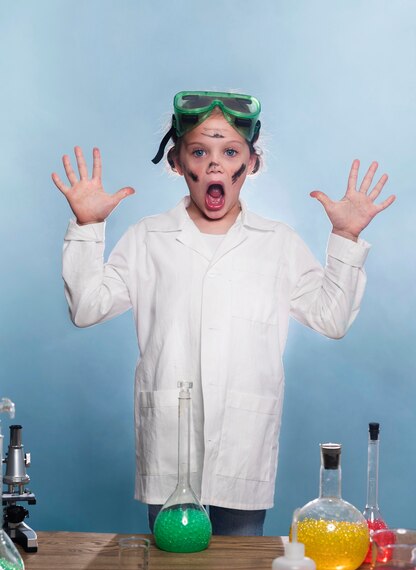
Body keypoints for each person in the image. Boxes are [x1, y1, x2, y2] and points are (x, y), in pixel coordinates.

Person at [52, 91, 395, 536]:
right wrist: (86, 227)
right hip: (169, 444)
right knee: (172, 564)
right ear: (176, 162)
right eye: (200, 151)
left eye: (230, 151)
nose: (215, 165)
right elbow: (86, 307)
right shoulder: (148, 238)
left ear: (251, 164)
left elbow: (331, 318)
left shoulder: (277, 243)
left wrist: (346, 237)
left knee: (240, 568)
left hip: (242, 443)